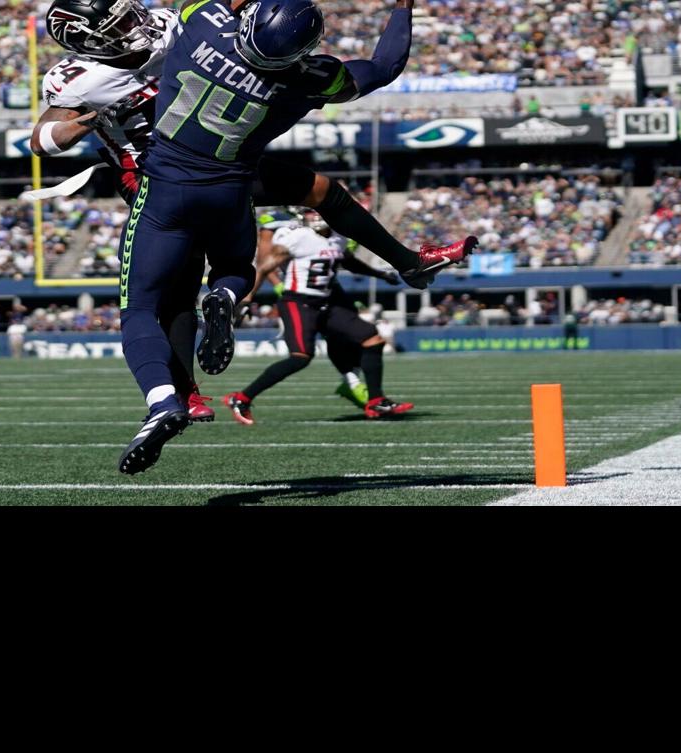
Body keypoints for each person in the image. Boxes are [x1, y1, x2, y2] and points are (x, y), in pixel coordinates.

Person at [33, 0, 473, 435]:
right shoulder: (84, 77)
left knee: (303, 200)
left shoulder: (187, 23)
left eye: (131, 13)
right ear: (88, 40)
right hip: (164, 167)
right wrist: (76, 126)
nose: (139, 23)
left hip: (187, 165)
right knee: (197, 266)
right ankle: (191, 380)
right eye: (123, 21)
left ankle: (182, 389)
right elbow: (43, 139)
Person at [113, 0, 424, 474]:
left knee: (139, 309)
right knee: (237, 269)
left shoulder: (203, 21)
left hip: (165, 187)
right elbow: (384, 66)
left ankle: (162, 401)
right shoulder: (310, 78)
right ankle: (224, 295)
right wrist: (401, 9)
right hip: (231, 189)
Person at [221, 210, 412, 424]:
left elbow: (349, 262)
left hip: (326, 302)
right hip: (298, 302)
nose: (311, 217)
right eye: (308, 213)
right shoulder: (298, 237)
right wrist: (247, 300)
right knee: (300, 357)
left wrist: (380, 274)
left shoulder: (339, 238)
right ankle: (241, 398)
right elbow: (264, 267)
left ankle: (376, 401)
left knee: (371, 338)